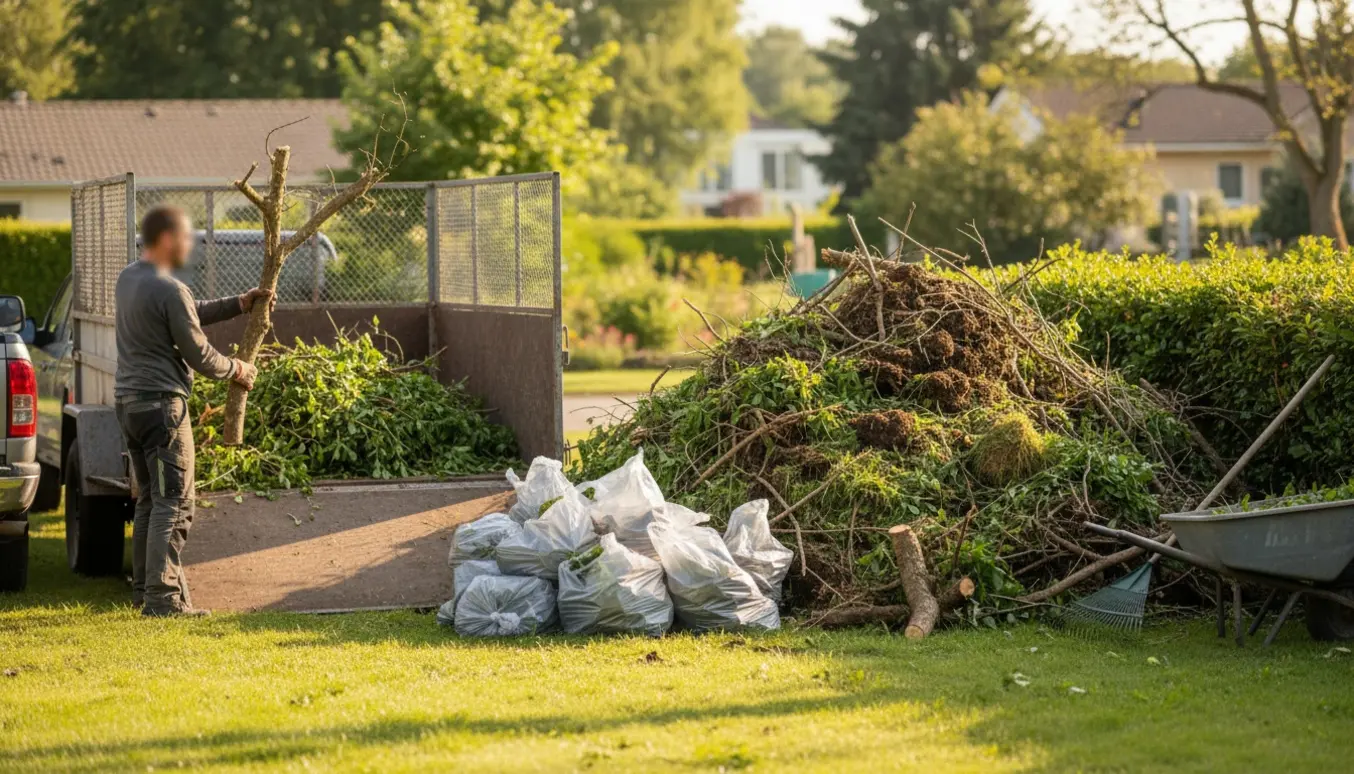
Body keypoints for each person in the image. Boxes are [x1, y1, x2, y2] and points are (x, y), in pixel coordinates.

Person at [113, 205, 272, 617]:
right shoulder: (170, 288)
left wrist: (238, 303)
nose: (190, 245)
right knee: (175, 503)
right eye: (185, 237)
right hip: (162, 408)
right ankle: (164, 601)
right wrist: (238, 369)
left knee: (150, 501)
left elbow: (184, 311)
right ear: (167, 238)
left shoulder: (129, 278)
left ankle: (145, 592)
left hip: (130, 404)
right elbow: (199, 353)